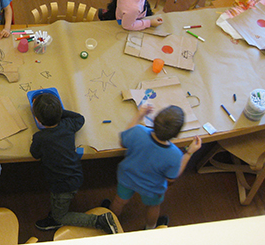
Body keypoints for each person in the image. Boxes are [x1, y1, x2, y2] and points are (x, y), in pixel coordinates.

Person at [30, 93, 118, 233]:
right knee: (61, 202)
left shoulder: (40, 137)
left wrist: (51, 113)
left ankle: (98, 221)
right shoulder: (68, 125)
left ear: (38, 120)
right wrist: (57, 112)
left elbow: (35, 154)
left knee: (61, 215)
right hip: (75, 175)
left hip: (60, 185)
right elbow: (80, 118)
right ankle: (57, 211)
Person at [108, 105, 202, 229]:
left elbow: (123, 142)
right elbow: (172, 178)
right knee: (153, 206)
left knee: (119, 201)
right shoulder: (175, 154)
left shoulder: (138, 131)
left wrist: (139, 115)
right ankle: (151, 227)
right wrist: (189, 153)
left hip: (127, 177)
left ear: (154, 120)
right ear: (177, 134)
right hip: (152, 188)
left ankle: (110, 221)